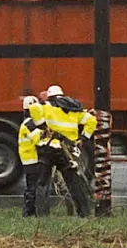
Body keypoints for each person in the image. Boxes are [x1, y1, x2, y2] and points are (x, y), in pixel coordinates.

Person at [27, 88, 92, 218]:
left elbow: (33, 108)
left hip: (49, 148)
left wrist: (43, 126)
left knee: (42, 183)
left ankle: (42, 215)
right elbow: (91, 121)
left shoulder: (49, 106)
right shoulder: (75, 109)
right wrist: (83, 139)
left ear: (50, 97)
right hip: (65, 151)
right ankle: (83, 213)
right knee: (73, 183)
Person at [16, 95, 50, 217]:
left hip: (29, 160)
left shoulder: (28, 123)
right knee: (32, 187)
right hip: (32, 160)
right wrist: (49, 133)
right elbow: (38, 138)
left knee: (32, 186)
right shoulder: (30, 124)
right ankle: (28, 213)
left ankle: (31, 212)